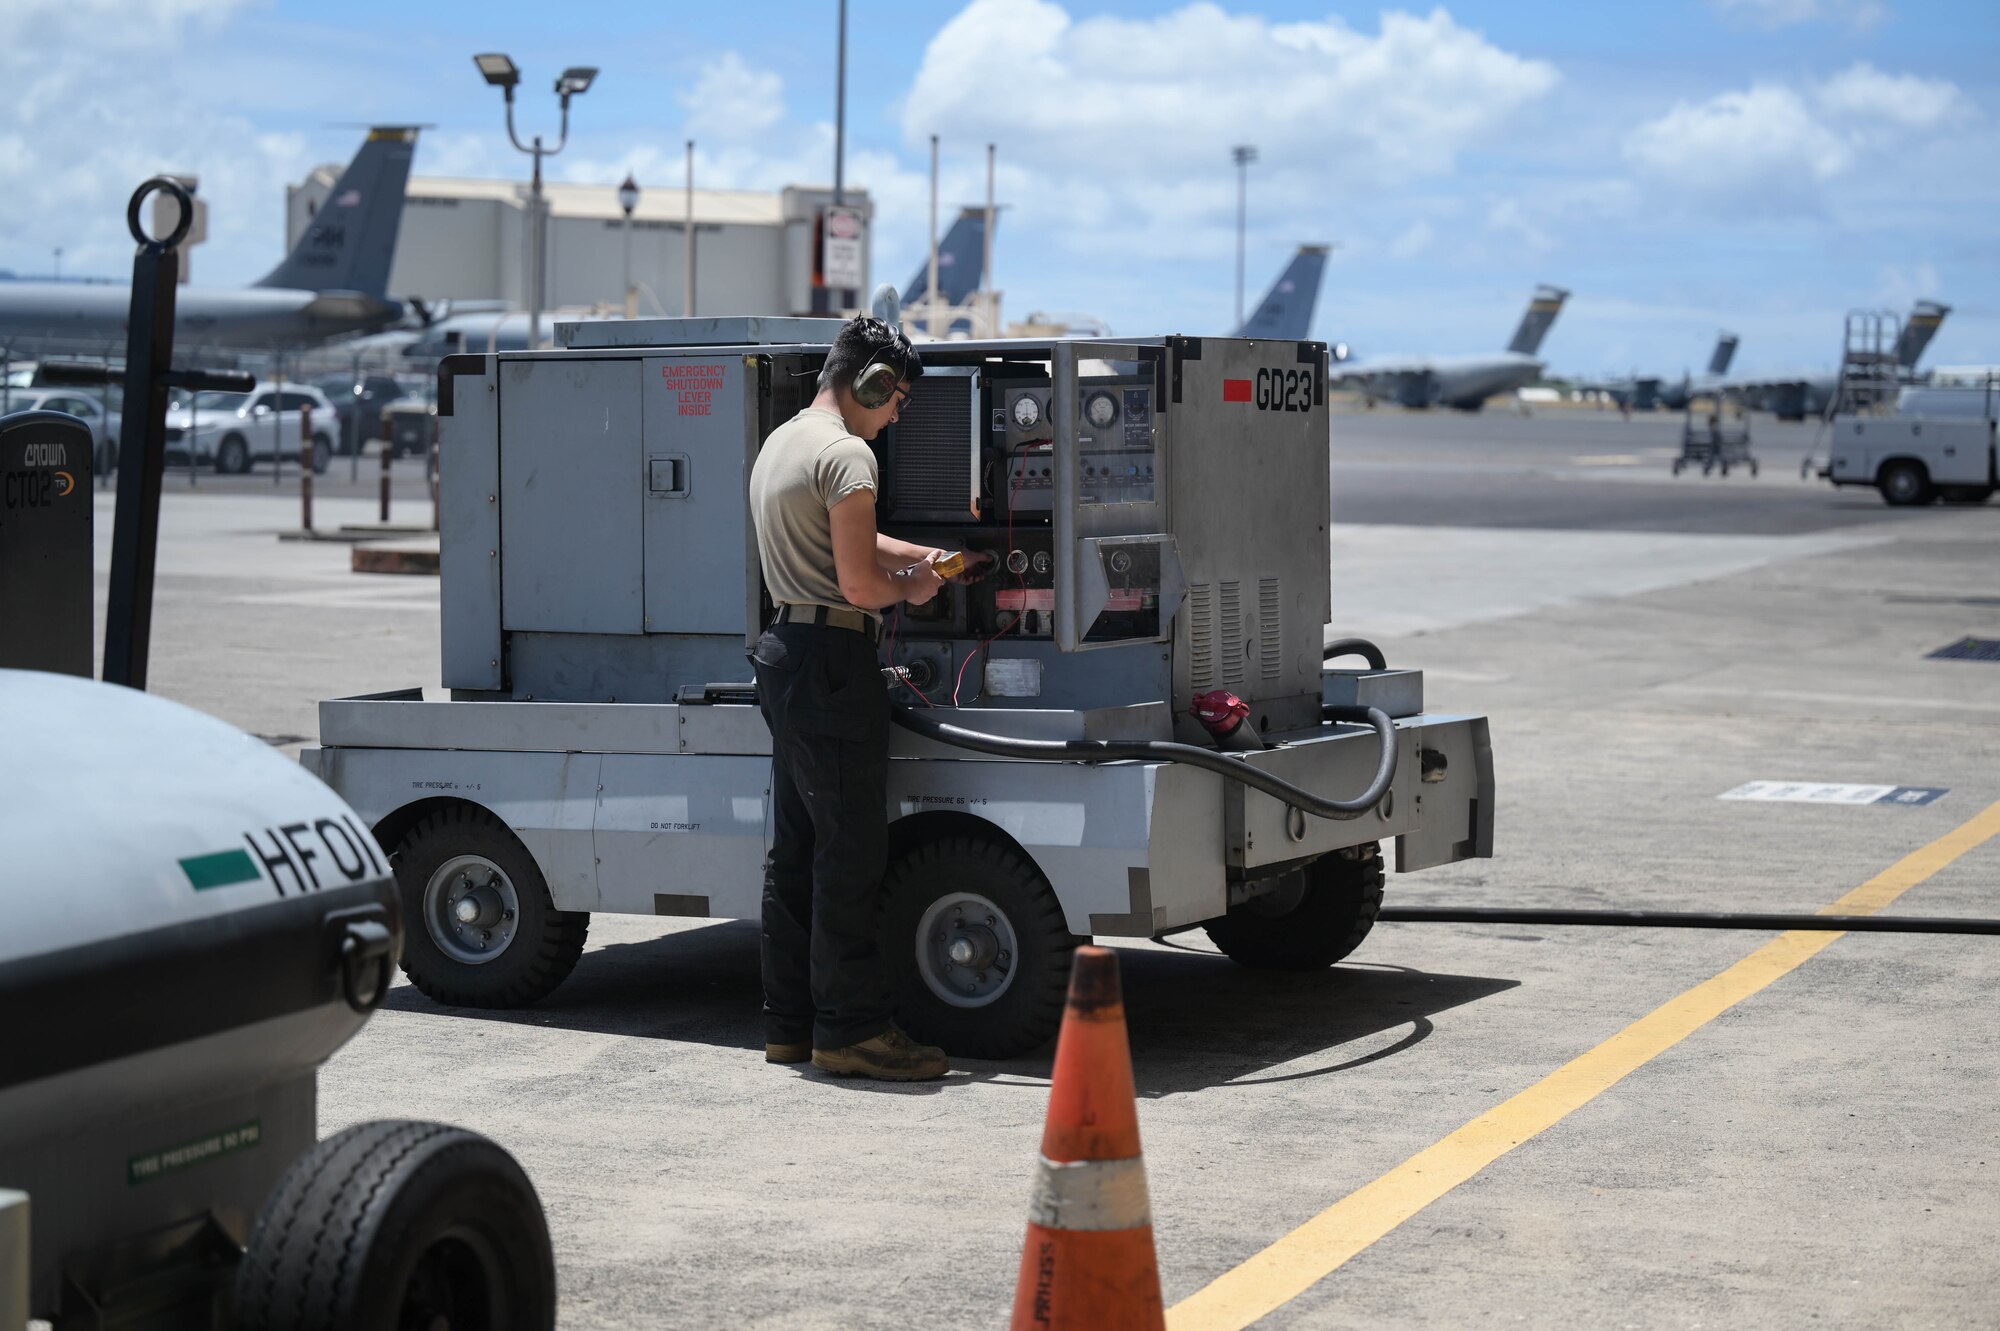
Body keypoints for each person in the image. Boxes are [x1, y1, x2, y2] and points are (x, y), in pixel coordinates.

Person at [746, 316, 968, 1081]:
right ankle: (853, 1030)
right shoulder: (850, 456)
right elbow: (861, 583)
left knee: (799, 848)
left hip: (784, 652)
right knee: (851, 853)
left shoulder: (785, 442)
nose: (899, 413)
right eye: (897, 396)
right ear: (870, 382)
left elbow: (850, 539)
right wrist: (920, 584)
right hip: (835, 657)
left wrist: (926, 555)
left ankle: (791, 1023)